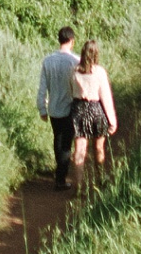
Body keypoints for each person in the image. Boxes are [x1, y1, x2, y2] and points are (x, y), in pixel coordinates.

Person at [68, 39, 117, 193]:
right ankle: (100, 179)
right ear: (96, 54)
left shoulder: (74, 70)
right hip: (95, 108)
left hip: (79, 109)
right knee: (98, 147)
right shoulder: (100, 72)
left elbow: (71, 90)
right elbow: (105, 97)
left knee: (80, 149)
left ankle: (79, 186)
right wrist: (112, 120)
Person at [37, 26, 80, 188]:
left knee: (58, 139)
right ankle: (60, 178)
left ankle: (60, 174)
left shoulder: (48, 61)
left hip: (54, 108)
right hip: (70, 108)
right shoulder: (76, 61)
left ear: (59, 40)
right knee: (67, 143)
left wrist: (42, 108)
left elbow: (42, 87)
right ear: (72, 41)